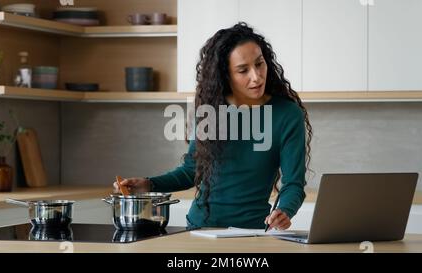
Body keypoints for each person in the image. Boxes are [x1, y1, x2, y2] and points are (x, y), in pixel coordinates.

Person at [113, 22, 313, 230]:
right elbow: (192, 171)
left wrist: (285, 210)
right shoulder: (211, 111)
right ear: (226, 75)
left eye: (260, 63)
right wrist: (149, 184)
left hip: (254, 231)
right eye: (243, 70)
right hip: (202, 228)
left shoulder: (287, 114)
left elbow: (293, 184)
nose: (256, 76)